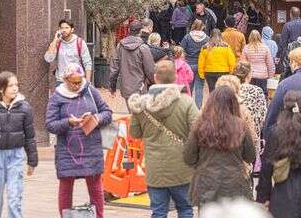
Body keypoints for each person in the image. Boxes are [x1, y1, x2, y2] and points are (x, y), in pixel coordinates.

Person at [128, 60, 199, 218]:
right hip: (183, 167)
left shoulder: (141, 105)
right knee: (186, 209)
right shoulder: (186, 102)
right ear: (175, 77)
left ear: (154, 77)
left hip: (155, 168)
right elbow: (198, 131)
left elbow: (134, 133)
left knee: (158, 212)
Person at [45, 64, 112, 218]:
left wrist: (96, 118)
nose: (77, 86)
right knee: (66, 187)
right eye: (73, 82)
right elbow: (50, 124)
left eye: (79, 81)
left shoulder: (90, 90)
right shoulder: (57, 96)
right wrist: (68, 122)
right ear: (65, 80)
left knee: (95, 187)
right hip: (67, 151)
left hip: (91, 148)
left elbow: (107, 112)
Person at [257, 91, 301, 218]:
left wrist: (263, 195)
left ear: (284, 108)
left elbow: (266, 166)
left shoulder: (275, 132)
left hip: (282, 186)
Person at [183, 85, 256, 207]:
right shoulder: (241, 126)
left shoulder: (201, 125)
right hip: (234, 184)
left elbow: (188, 157)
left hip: (206, 183)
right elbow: (250, 156)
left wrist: (201, 163)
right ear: (234, 103)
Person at [0, 71, 38, 218]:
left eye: (16, 85)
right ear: (1, 89)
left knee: (14, 199)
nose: (14, 88)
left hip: (16, 156)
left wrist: (32, 161)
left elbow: (30, 136)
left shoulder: (25, 107)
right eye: (10, 85)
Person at [109, 20, 156, 108]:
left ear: (129, 30)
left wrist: (112, 87)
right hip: (140, 88)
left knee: (133, 116)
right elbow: (150, 70)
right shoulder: (143, 47)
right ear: (140, 31)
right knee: (142, 117)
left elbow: (114, 68)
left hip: (126, 88)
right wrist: (155, 83)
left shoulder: (120, 45)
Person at [232, 61, 267, 155]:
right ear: (248, 75)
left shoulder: (231, 89)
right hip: (252, 137)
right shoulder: (257, 91)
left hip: (232, 136)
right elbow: (263, 115)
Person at [44, 19, 93, 86]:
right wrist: (55, 40)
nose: (64, 30)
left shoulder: (80, 42)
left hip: (76, 81)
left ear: (72, 29)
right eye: (62, 28)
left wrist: (87, 83)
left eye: (66, 28)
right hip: (61, 81)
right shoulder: (58, 43)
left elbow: (87, 62)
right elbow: (48, 59)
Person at [180, 20, 209, 108]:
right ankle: (198, 108)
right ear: (202, 27)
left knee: (189, 87)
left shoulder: (187, 37)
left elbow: (181, 49)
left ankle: (188, 107)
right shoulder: (206, 38)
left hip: (189, 64)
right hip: (200, 65)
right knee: (199, 87)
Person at [197, 29, 236, 94]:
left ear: (210, 36)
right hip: (224, 72)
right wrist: (232, 72)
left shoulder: (205, 47)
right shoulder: (226, 47)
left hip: (209, 72)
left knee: (212, 92)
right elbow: (232, 61)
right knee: (222, 92)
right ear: (221, 36)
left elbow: (201, 62)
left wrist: (201, 74)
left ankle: (213, 103)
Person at [241, 30, 275, 97]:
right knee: (262, 94)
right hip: (263, 75)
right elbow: (270, 63)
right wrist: (271, 75)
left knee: (250, 95)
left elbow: (243, 63)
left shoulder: (246, 48)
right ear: (259, 37)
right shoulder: (265, 48)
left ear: (250, 37)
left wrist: (243, 76)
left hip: (250, 75)